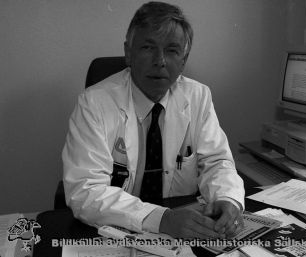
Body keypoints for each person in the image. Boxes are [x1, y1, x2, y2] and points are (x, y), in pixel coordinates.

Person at [62, 1, 244, 239]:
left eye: (172, 50)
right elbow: (85, 191)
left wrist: (227, 198)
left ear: (183, 59)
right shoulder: (93, 104)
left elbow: (217, 161)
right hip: (117, 229)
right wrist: (161, 219)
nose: (160, 61)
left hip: (184, 228)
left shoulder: (198, 97)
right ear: (128, 52)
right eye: (148, 48)